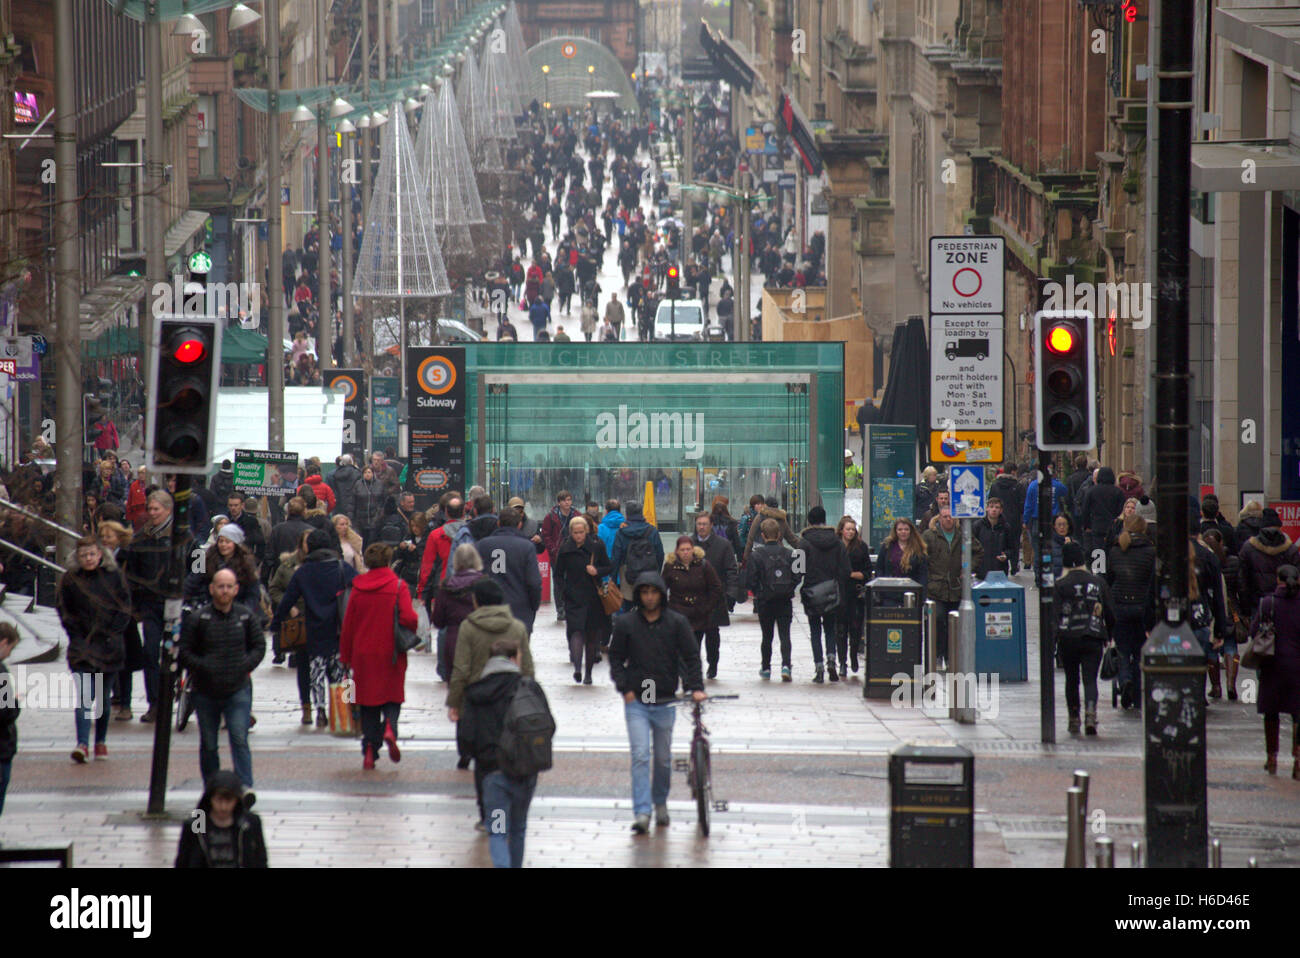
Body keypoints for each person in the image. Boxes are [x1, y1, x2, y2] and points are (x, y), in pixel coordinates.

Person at [609, 571, 706, 834]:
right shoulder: (627, 623)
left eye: (653, 592)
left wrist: (695, 687)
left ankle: (660, 802)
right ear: (639, 595)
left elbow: (690, 656)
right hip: (637, 701)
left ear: (661, 594)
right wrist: (625, 688)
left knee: (663, 759)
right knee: (641, 755)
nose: (649, 597)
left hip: (664, 699)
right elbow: (615, 658)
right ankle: (642, 811)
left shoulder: (676, 622)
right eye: (644, 592)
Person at [446, 578, 535, 830]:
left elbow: (461, 668)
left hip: (479, 700)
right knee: (509, 754)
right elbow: (527, 666)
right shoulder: (516, 627)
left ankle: (488, 816)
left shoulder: (469, 627)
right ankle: (506, 810)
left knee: (484, 759)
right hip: (511, 699)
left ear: (477, 601)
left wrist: (455, 702)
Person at [458, 637, 548, 866]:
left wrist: (476, 754)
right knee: (518, 829)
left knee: (497, 831)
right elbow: (547, 724)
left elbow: (465, 738)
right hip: (525, 773)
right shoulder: (529, 687)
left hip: (493, 776)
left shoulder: (475, 693)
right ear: (512, 659)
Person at [179, 568, 266, 790]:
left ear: (236, 589)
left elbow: (259, 645)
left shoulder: (245, 616)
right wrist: (203, 666)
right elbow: (185, 651)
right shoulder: (199, 619)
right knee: (209, 744)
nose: (224, 591)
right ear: (212, 589)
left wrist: (245, 666)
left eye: (229, 586)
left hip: (238, 688)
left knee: (239, 738)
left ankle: (245, 786)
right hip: (206, 690)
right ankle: (212, 787)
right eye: (220, 586)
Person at [340, 543, 417, 770]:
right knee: (392, 696)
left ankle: (370, 750)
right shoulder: (398, 586)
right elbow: (409, 618)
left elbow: (348, 625)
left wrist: (345, 655)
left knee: (368, 703)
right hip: (391, 652)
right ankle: (390, 728)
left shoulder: (357, 587)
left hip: (363, 654)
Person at [270, 529, 357, 728]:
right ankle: (343, 711)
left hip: (314, 629)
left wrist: (276, 623)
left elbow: (288, 599)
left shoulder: (304, 571)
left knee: (315, 671)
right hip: (338, 629)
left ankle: (319, 710)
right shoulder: (341, 567)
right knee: (340, 672)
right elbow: (359, 589)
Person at [56, 537, 131, 763]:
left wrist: (112, 632)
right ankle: (82, 743)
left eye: (92, 554)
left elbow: (124, 608)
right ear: (77, 558)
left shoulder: (114, 577)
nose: (88, 559)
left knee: (103, 699)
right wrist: (76, 633)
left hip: (108, 646)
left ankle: (100, 741)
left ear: (100, 555)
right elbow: (63, 609)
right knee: (84, 698)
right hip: (82, 646)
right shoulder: (71, 580)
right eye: (84, 555)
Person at [122, 490, 174, 724]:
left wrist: (191, 591)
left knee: (177, 654)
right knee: (151, 653)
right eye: (150, 509)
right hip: (151, 605)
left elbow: (198, 566)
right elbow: (130, 572)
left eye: (156, 509)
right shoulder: (140, 539)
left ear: (168, 509)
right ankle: (155, 703)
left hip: (176, 605)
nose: (152, 513)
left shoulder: (184, 536)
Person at [1053, 542, 1116, 735]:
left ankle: (1074, 717)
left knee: (1071, 680)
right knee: (1090, 680)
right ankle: (1090, 713)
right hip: (1093, 635)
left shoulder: (1060, 584)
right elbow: (1110, 612)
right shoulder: (1097, 582)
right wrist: (1110, 635)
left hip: (1068, 637)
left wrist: (1053, 642)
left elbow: (1054, 617)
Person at [1250, 564, 1300, 778]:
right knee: (1298, 713)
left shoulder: (1267, 604)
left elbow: (1254, 632)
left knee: (1271, 713)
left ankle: (1272, 758)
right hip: (1298, 666)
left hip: (1272, 665)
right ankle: (1298, 759)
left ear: (1278, 580)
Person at [1106, 514, 1158, 710]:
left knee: (1122, 649)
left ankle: (1124, 679)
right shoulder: (1151, 552)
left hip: (1119, 606)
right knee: (1138, 652)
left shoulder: (1115, 550)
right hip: (1141, 608)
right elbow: (1153, 584)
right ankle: (1136, 693)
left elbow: (1110, 579)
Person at [554, 514, 614, 684]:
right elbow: (558, 574)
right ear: (571, 533)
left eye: (581, 532)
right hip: (573, 597)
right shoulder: (565, 549)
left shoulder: (596, 546)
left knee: (592, 636)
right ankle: (578, 669)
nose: (579, 535)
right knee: (576, 630)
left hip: (593, 598)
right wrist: (563, 591)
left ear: (586, 531)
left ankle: (588, 673)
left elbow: (609, 566)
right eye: (575, 532)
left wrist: (597, 571)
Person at [797, 506, 852, 683]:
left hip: (812, 591)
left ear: (809, 522)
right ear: (825, 520)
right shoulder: (837, 542)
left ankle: (819, 666)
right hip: (831, 591)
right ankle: (831, 660)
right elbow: (846, 569)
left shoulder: (804, 542)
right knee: (830, 628)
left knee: (815, 630)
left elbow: (797, 569)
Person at [922, 508, 982, 669]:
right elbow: (921, 557)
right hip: (936, 587)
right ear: (939, 518)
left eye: (951, 517)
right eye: (944, 517)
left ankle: (950, 657)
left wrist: (968, 568)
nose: (948, 519)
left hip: (955, 588)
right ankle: (937, 654)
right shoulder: (929, 535)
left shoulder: (963, 534)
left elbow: (978, 551)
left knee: (953, 624)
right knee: (938, 620)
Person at [173, 770, 268, 868]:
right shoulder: (195, 825)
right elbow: (183, 861)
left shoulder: (250, 823)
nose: (223, 807)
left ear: (236, 800)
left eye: (229, 801)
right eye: (218, 800)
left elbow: (260, 860)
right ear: (210, 799)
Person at [747, 518, 802, 680]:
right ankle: (786, 666)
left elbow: (751, 580)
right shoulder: (790, 554)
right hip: (784, 600)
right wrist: (789, 588)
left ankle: (766, 668)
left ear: (763, 535)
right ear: (779, 535)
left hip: (765, 600)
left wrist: (759, 591)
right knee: (785, 635)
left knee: (767, 636)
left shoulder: (756, 555)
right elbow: (797, 576)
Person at [474, 509, 543, 633]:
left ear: (499, 523)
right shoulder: (526, 546)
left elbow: (474, 577)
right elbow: (534, 582)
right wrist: (533, 606)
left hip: (489, 609)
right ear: (520, 525)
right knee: (518, 650)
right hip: (520, 609)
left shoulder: (482, 545)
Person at [691, 512, 739, 678]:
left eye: (704, 524)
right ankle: (694, 667)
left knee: (712, 635)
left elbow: (731, 569)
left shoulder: (723, 545)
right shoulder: (688, 544)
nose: (701, 527)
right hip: (693, 600)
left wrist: (730, 592)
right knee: (693, 636)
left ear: (711, 525)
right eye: (699, 524)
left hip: (714, 599)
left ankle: (713, 664)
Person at [270, 530, 312, 713]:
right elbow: (275, 589)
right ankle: (307, 705)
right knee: (303, 664)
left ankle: (332, 706)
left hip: (320, 621)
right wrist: (289, 607)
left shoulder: (326, 564)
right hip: (297, 621)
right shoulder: (288, 565)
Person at [432, 544, 486, 686]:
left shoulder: (446, 586)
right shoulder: (484, 583)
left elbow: (438, 621)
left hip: (453, 641)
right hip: (479, 641)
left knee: (456, 689)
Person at [1239, 509, 1300, 622]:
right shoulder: (1291, 549)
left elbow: (1243, 581)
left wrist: (1245, 609)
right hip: (1286, 603)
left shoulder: (1248, 548)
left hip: (1257, 603)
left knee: (1260, 637)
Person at [610, 499, 665, 608]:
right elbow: (660, 554)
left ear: (627, 514)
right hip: (649, 573)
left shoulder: (621, 533)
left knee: (628, 606)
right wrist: (656, 572)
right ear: (641, 513)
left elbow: (616, 558)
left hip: (627, 574)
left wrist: (614, 579)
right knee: (647, 606)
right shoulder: (652, 531)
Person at [837, 516, 873, 674]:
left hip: (856, 592)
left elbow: (866, 571)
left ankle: (853, 656)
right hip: (839, 592)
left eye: (853, 529)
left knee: (856, 628)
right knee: (840, 629)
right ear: (841, 530)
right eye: (848, 529)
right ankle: (842, 661)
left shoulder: (861, 547)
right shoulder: (836, 547)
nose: (850, 532)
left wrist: (852, 574)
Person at [541, 491, 580, 621]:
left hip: (573, 552)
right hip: (557, 554)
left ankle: (571, 606)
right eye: (564, 500)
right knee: (558, 581)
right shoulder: (551, 517)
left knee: (573, 580)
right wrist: (552, 549)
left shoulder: (577, 515)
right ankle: (560, 608)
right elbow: (546, 535)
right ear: (559, 502)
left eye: (569, 500)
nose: (567, 502)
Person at [741, 496, 799, 564]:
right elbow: (792, 539)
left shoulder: (760, 517)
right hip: (778, 554)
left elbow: (750, 538)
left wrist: (745, 558)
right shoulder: (782, 519)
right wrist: (805, 548)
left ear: (765, 505)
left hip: (761, 553)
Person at [875, 518, 929, 586]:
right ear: (895, 531)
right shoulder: (887, 546)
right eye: (900, 529)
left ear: (911, 531)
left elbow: (922, 574)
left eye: (906, 529)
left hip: (910, 590)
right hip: (888, 589)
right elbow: (879, 568)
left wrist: (921, 593)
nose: (903, 532)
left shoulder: (918, 548)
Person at [0, 623, 17, 818]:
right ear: (4, 643)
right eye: (11, 649)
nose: (9, 654)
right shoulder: (1, 672)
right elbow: (5, 710)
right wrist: (16, 704)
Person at [351, 466, 388, 544]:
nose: (367, 474)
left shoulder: (380, 484)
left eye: (369, 472)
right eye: (365, 472)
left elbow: (384, 500)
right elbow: (352, 501)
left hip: (375, 517)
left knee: (373, 540)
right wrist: (351, 516)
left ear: (373, 473)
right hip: (361, 518)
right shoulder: (358, 484)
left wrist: (381, 513)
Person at [328, 455, 361, 519]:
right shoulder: (357, 473)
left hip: (339, 503)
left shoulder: (335, 473)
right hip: (353, 503)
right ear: (351, 461)